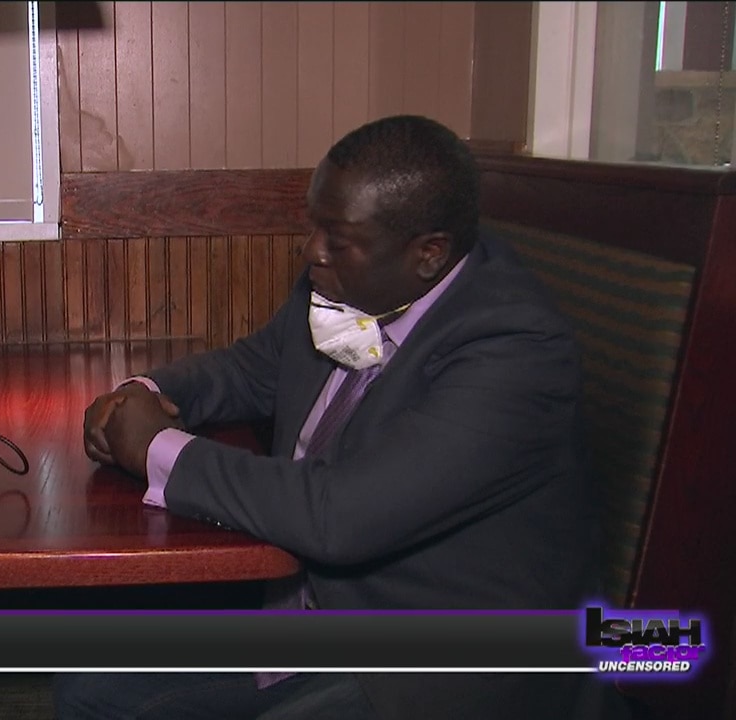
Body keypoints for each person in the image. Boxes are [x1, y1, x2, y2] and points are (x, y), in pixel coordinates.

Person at [58, 115, 613, 719]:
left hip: (423, 662)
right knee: (91, 684)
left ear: (428, 254)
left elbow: (341, 516)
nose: (311, 251)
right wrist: (141, 393)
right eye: (314, 225)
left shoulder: (515, 349)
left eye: (337, 239)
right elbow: (252, 368)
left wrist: (153, 446)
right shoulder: (354, 281)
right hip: (299, 593)